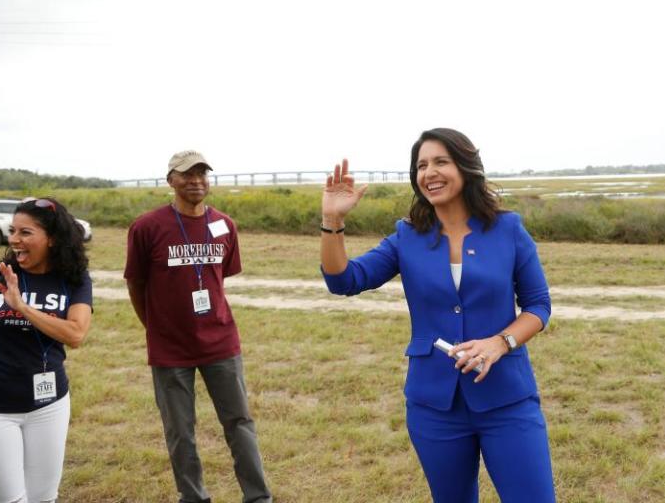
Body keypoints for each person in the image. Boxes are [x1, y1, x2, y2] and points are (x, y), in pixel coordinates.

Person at [320, 128, 555, 503]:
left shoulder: (507, 229)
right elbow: (344, 280)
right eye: (421, 165)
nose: (430, 172)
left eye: (441, 162)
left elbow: (538, 305)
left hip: (507, 400)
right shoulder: (407, 237)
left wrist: (500, 342)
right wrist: (332, 221)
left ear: (465, 167)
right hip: (435, 407)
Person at [125, 150, 272, 503]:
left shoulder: (224, 224)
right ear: (170, 180)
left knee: (239, 423)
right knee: (180, 431)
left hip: (220, 342)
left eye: (202, 174)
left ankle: (258, 497)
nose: (195, 181)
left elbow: (220, 277)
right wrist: (155, 326)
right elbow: (135, 283)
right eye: (186, 174)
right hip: (169, 348)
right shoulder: (147, 227)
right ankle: (193, 497)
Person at [0, 198, 93, 503]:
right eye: (13, 231)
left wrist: (23, 307)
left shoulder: (74, 279)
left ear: (52, 238)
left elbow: (76, 334)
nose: (14, 239)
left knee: (44, 498)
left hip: (49, 405)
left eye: (25, 233)